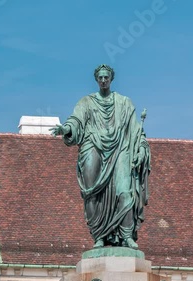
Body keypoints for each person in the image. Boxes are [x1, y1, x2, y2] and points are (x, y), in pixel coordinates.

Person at [51, 64, 151, 249]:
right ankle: (99, 235)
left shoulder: (124, 103)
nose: (103, 80)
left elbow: (137, 131)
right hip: (93, 145)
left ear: (111, 79)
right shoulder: (86, 102)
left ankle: (127, 235)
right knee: (91, 192)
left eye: (106, 77)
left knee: (124, 191)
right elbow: (76, 120)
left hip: (121, 148)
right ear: (96, 80)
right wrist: (66, 128)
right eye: (100, 78)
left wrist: (142, 149)